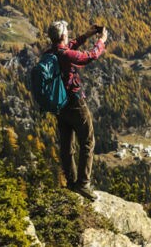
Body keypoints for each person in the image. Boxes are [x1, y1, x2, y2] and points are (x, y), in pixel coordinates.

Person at [46, 20, 108, 201]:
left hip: (60, 105)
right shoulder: (66, 55)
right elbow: (90, 56)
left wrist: (86, 35)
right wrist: (101, 41)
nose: (68, 34)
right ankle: (83, 184)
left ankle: (71, 183)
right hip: (75, 103)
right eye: (67, 31)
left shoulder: (50, 53)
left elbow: (69, 47)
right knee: (87, 141)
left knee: (67, 145)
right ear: (63, 35)